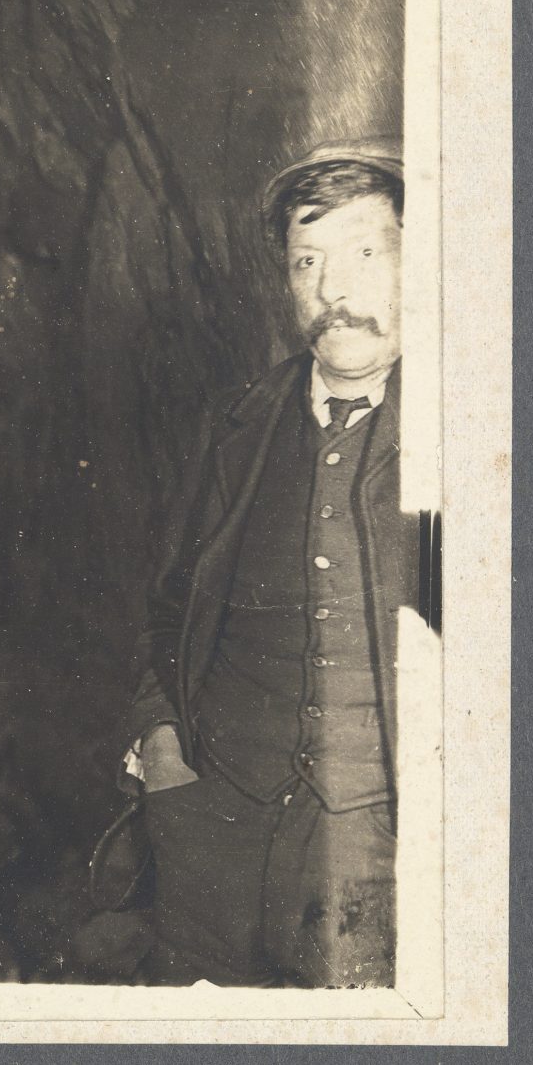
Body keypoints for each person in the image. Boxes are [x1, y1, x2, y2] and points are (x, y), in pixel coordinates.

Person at [121, 138, 422, 988]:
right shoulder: (239, 429)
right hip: (215, 837)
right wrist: (164, 755)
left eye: (367, 252)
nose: (335, 290)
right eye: (307, 261)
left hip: (387, 851)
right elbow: (166, 610)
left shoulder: (472, 432)